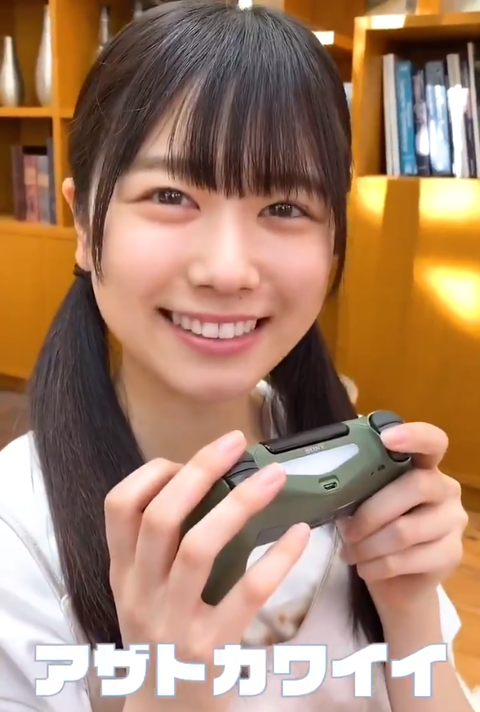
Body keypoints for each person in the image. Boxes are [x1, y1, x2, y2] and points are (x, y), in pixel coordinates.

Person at [0, 1, 475, 711]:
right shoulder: (17, 535)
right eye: (170, 195)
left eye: (285, 208)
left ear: (334, 242)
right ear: (83, 224)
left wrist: (408, 608)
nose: (228, 270)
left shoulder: (357, 478)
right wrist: (169, 686)